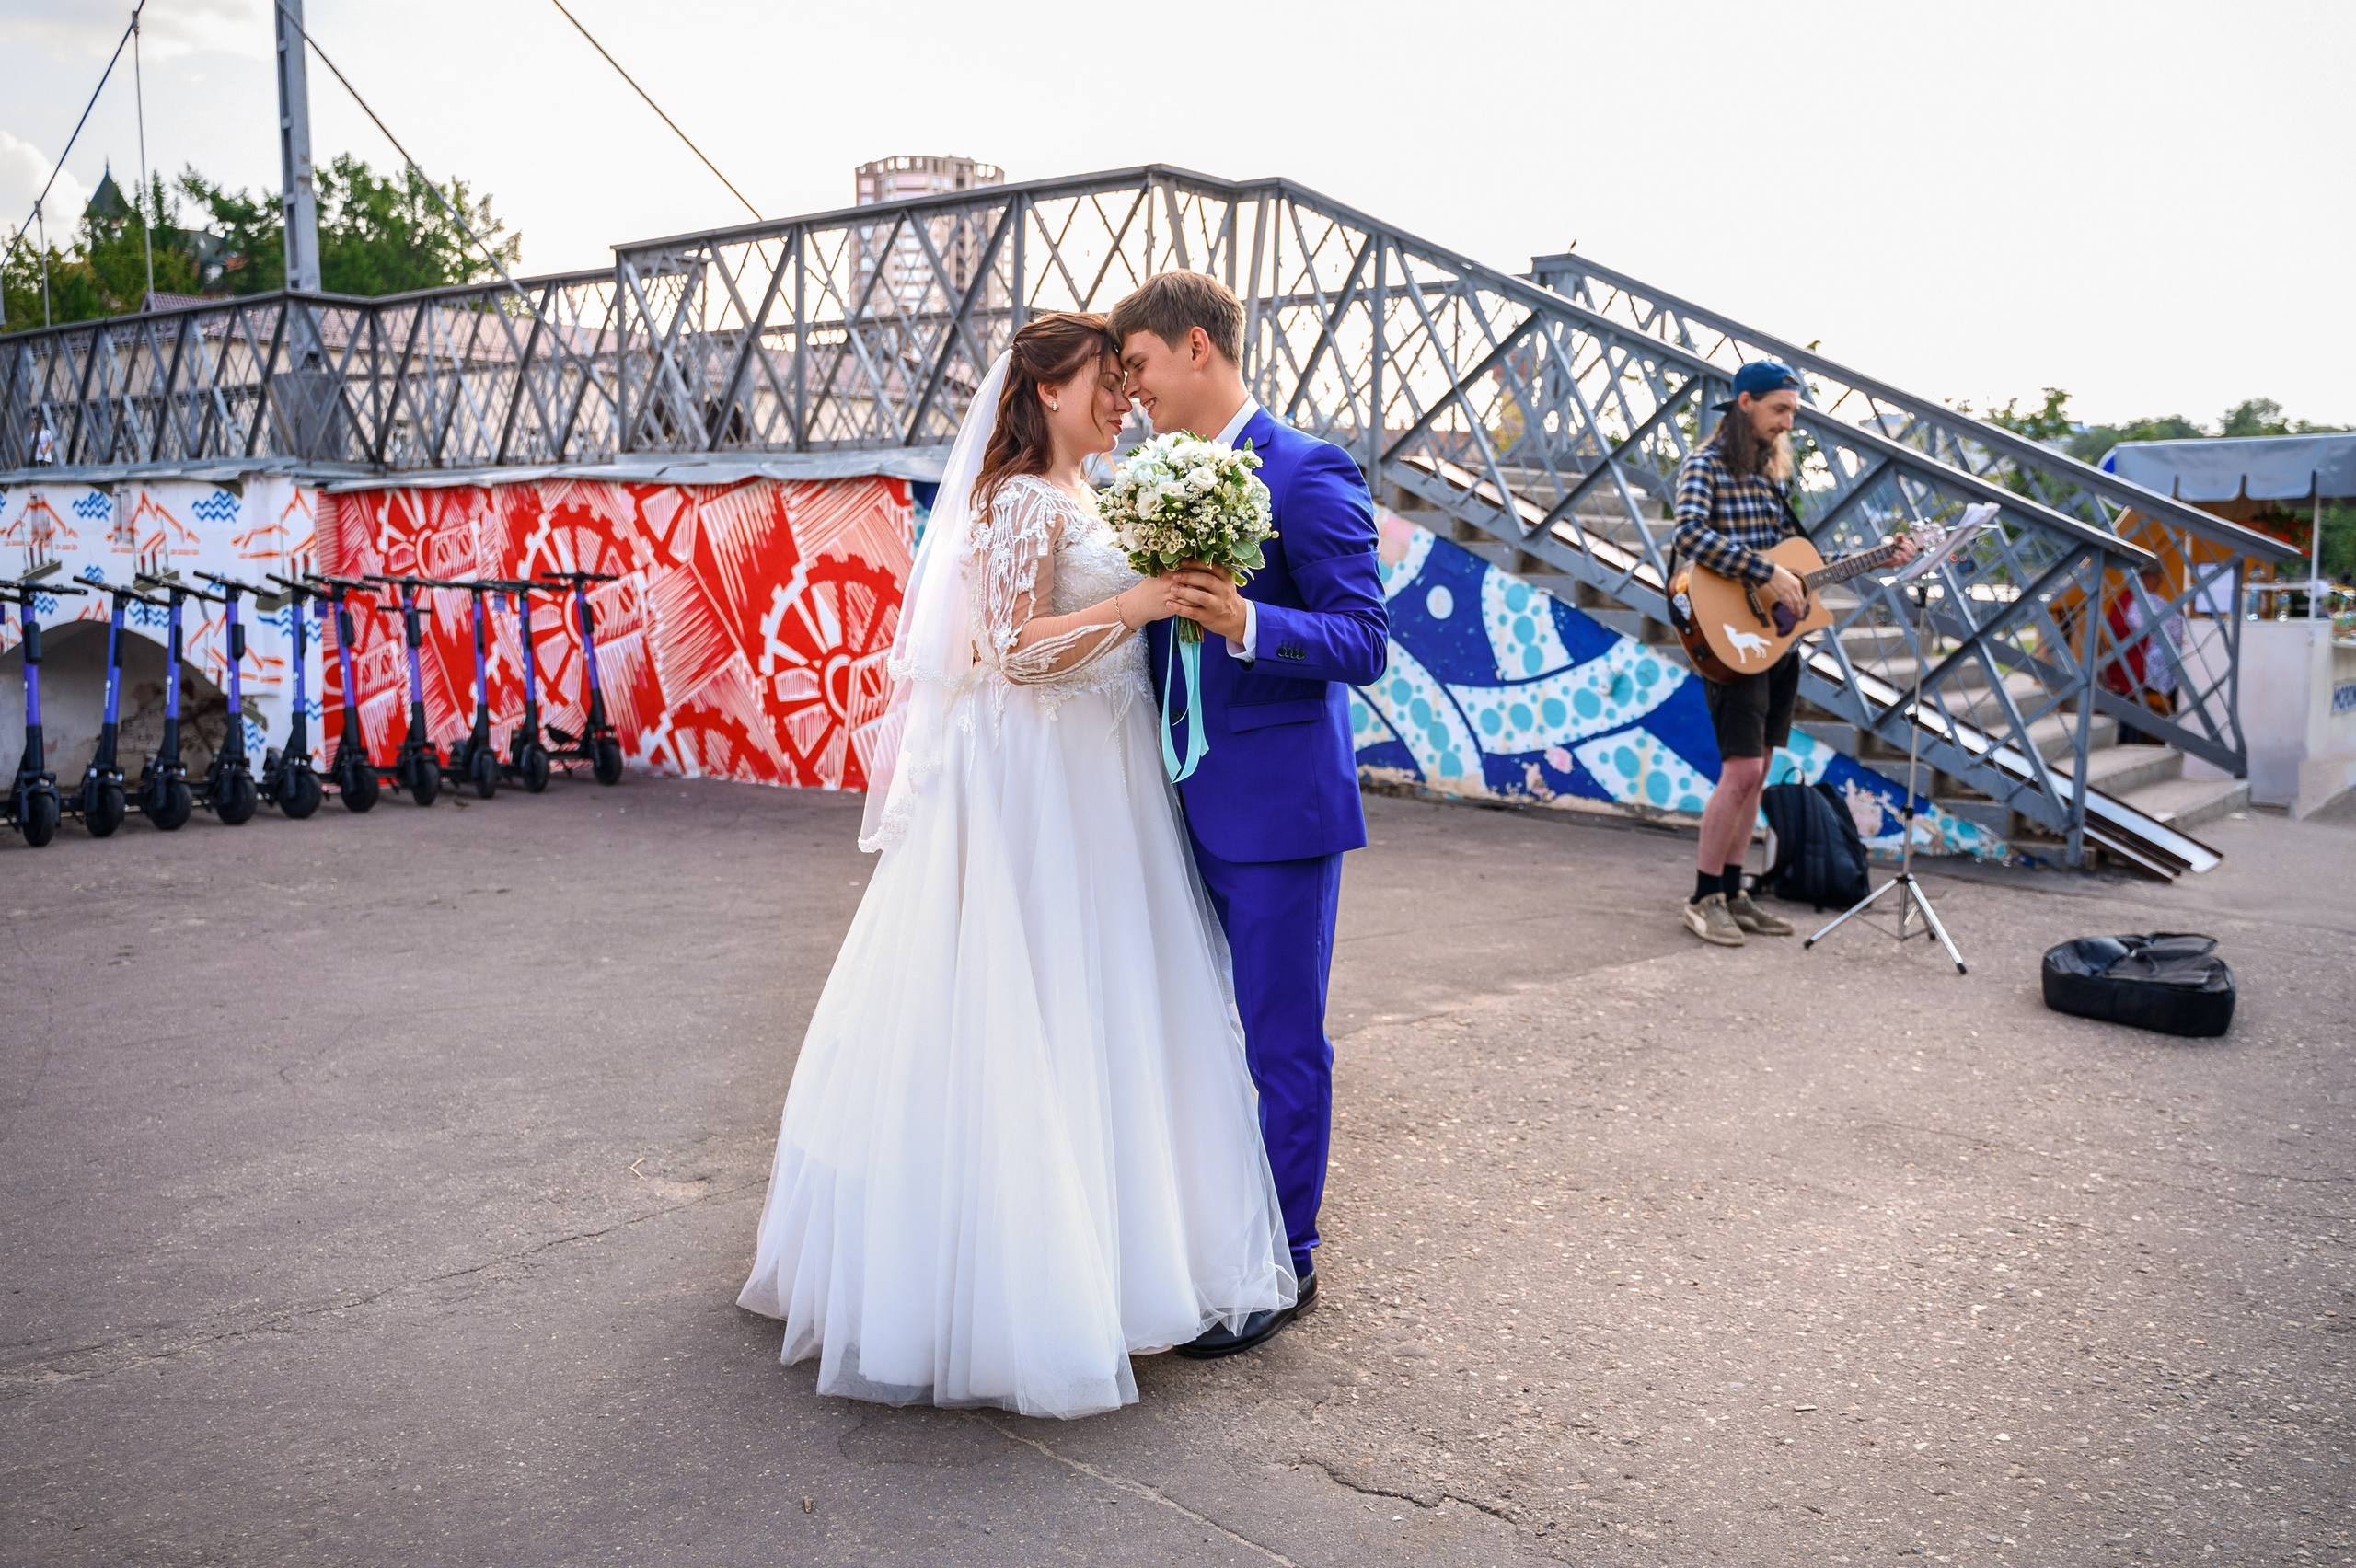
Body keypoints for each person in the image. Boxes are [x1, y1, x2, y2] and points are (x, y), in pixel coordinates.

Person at [736, 313, 1296, 1419]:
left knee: (1110, 1010)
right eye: (1106, 381)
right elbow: (1006, 652)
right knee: (1028, 1005)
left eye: (1129, 384)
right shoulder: (1015, 500)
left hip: (1108, 779)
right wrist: (1135, 603)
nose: (1124, 400)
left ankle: (1124, 1262)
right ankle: (1009, 1289)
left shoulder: (1093, 496)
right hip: (1036, 785)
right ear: (1044, 389)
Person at [1111, 272, 1390, 1355]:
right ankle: (1204, 1234)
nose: (1130, 391)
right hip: (1162, 800)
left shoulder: (1307, 470)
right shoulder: (1146, 480)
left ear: (1194, 348)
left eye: (1136, 366)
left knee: (1279, 1042)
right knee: (1187, 1036)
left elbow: (1363, 642)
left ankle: (1287, 1260)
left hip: (1276, 813)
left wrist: (1247, 619)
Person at [1672, 360, 1913, 948]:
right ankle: (1702, 898)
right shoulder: (1705, 466)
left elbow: (1796, 564)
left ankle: (1733, 890)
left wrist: (1876, 558)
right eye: (1780, 410)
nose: (1787, 423)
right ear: (1745, 403)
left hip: (1775, 640)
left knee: (1758, 775)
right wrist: (1765, 570)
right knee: (1742, 772)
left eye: (1793, 413)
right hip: (1729, 636)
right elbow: (1689, 536)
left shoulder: (1769, 476)